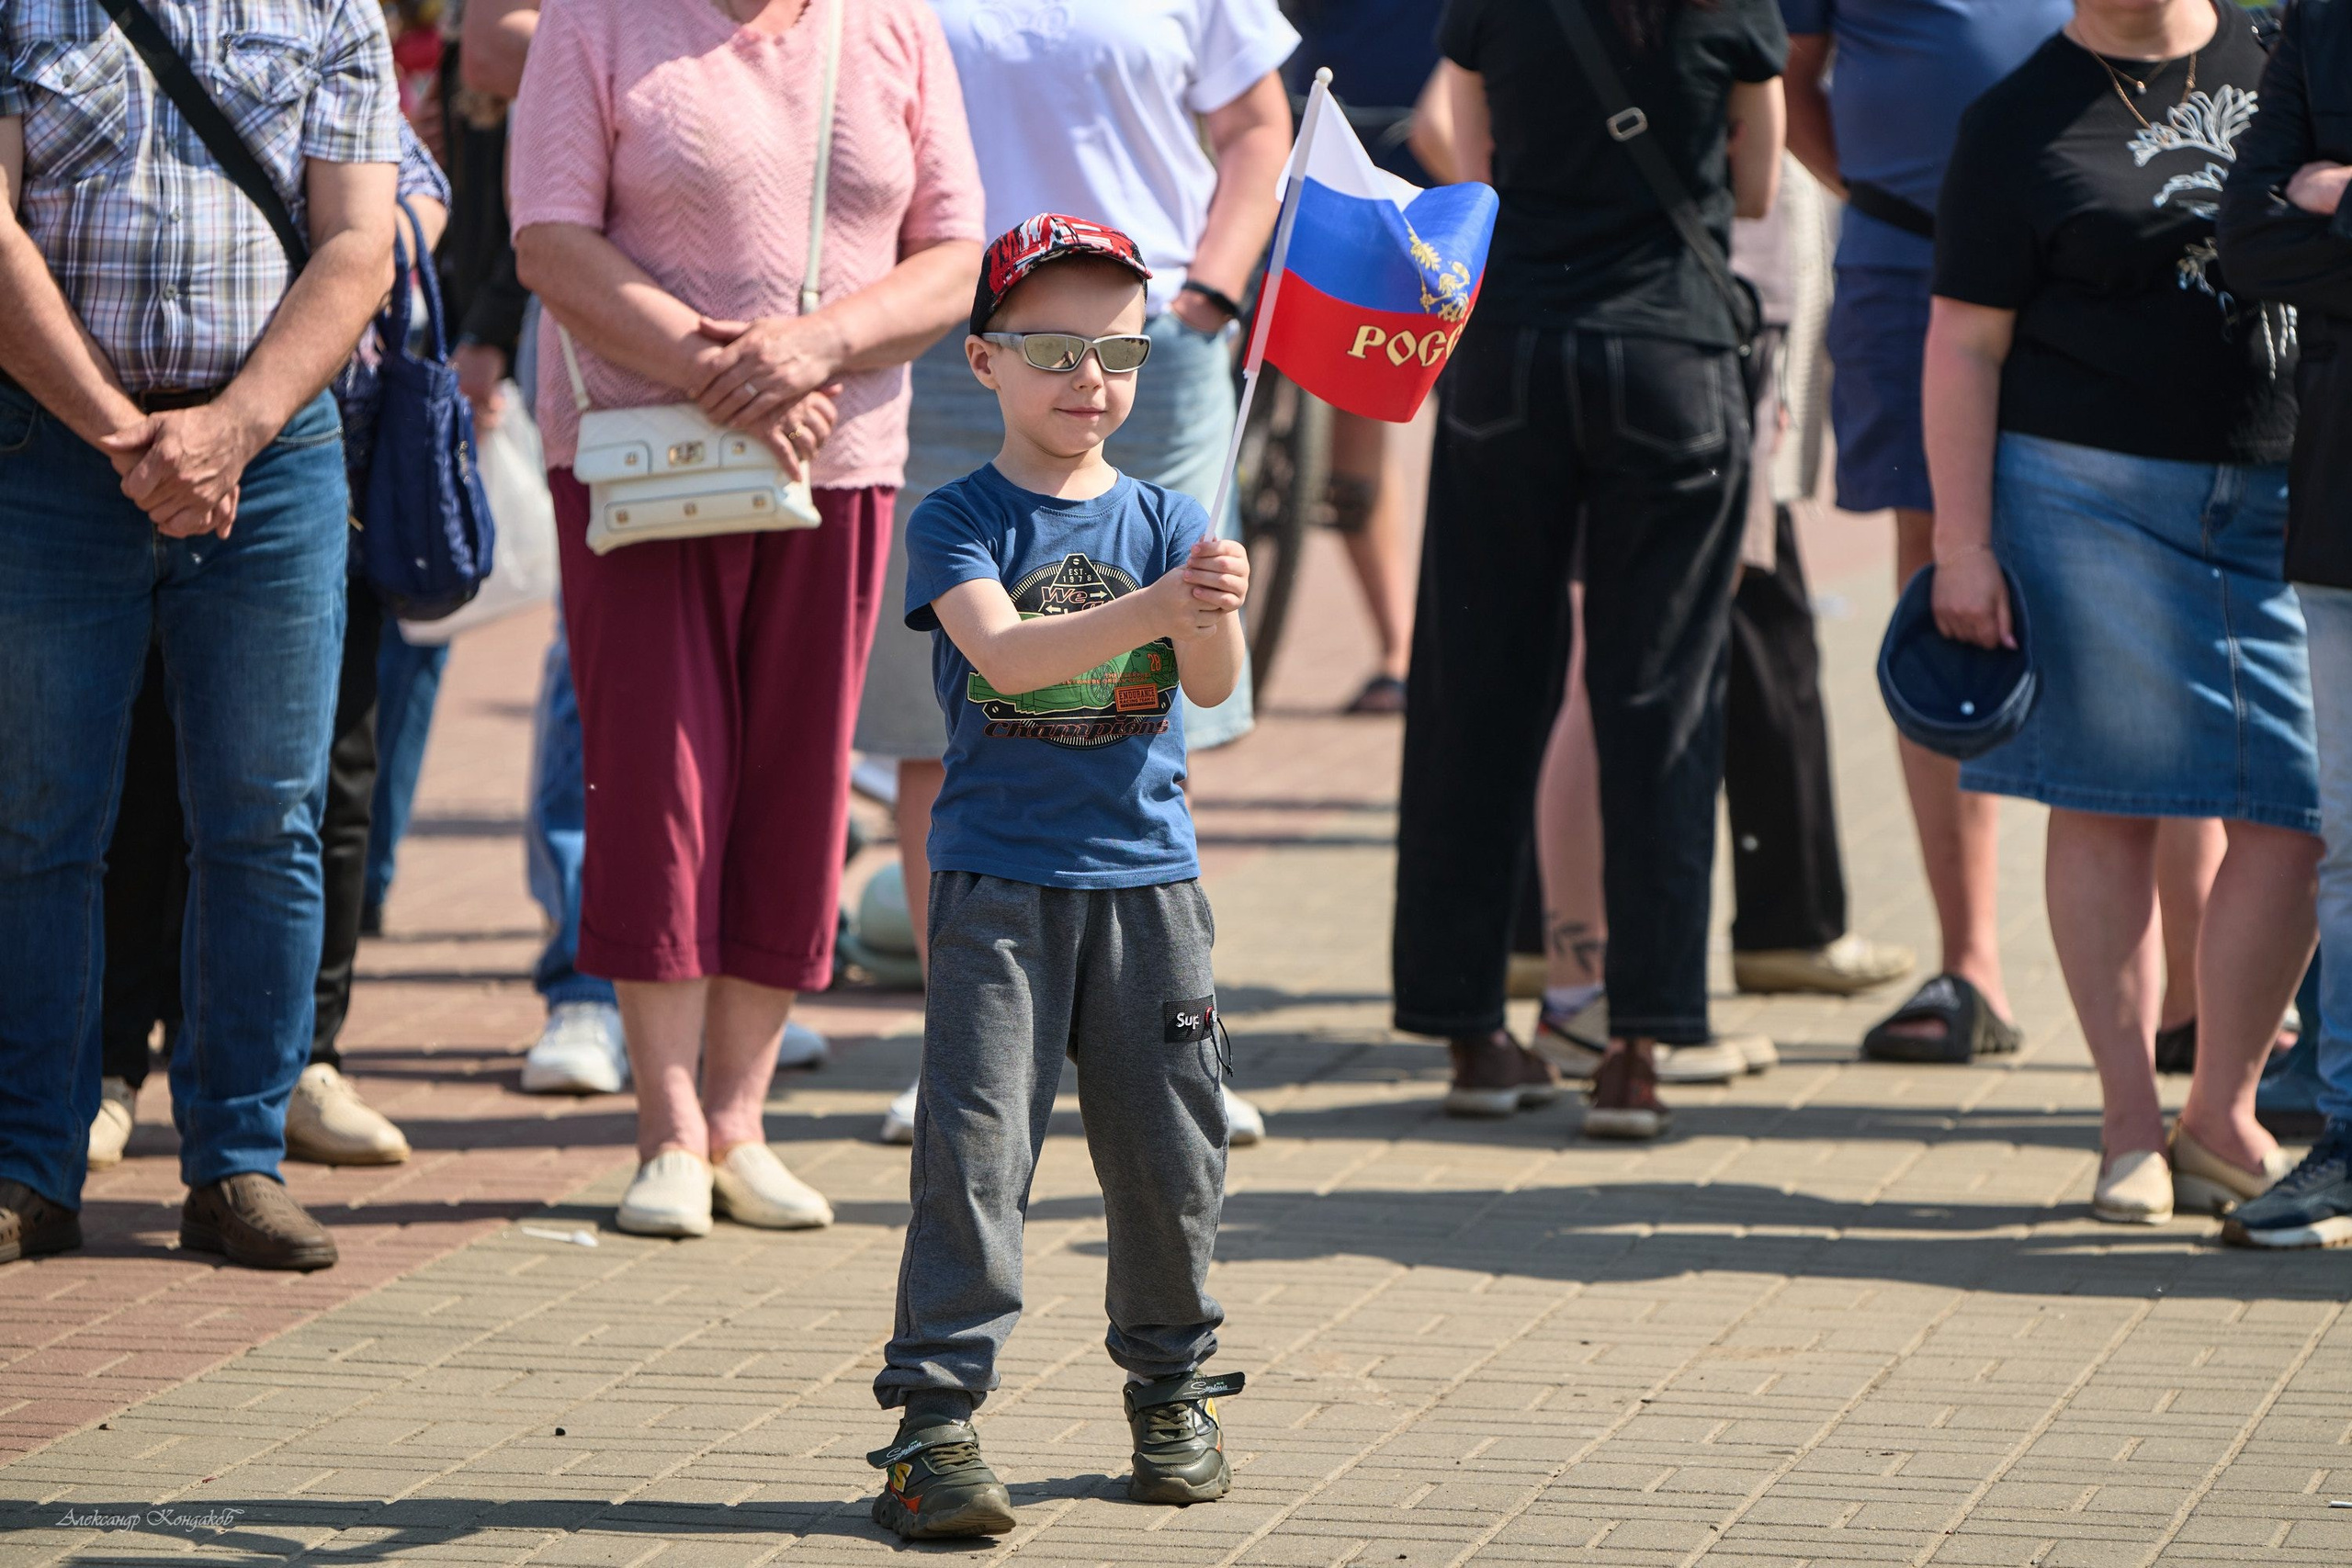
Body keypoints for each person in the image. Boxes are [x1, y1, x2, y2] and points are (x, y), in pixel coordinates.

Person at [507, 0, 984, 1238]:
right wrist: (724, 370)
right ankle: (667, 1131)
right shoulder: (596, 20)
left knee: (797, 780)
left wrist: (816, 346)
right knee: (655, 776)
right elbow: (548, 240)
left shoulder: (894, 25)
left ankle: (741, 1123)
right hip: (640, 456)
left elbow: (953, 254)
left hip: (840, 459)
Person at [851, 0, 1299, 1147]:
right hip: (953, 333)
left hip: (1152, 332)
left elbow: (1260, 124)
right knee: (937, 710)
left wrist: (1210, 292)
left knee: (1148, 686)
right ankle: (962, 1046)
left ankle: (1170, 1040)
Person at [0, 0, 401, 1269]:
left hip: (270, 460)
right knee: (36, 821)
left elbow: (359, 244)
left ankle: (237, 1164)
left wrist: (232, 428)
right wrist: (125, 432)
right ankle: (26, 1165)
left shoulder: (332, 5)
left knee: (264, 823)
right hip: (52, 449)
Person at [867, 215, 1250, 1541]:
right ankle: (933, 1423)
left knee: (1169, 1150)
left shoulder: (1171, 518)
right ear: (983, 360)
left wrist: (1211, 603)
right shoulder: (957, 518)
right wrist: (1157, 607)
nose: (1087, 377)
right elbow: (1010, 656)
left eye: (1117, 351)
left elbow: (1211, 684)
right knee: (975, 1154)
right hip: (999, 889)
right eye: (1051, 349)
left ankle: (1172, 1388)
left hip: (1151, 888)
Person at [1927, 0, 2312, 1226]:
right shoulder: (2013, 120)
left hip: (2288, 495)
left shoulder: (2286, 54)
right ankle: (2129, 1126)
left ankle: (2223, 1113)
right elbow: (1963, 343)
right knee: (2109, 803)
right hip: (2086, 495)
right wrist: (1961, 545)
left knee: (2300, 810)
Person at [1393, 0, 1785, 1137]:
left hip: (1511, 347)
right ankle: (1637, 1048)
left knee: (1474, 688)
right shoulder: (1732, 7)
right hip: (1673, 352)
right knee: (1661, 701)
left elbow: (1454, 151)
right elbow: (1757, 190)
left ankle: (1469, 1033)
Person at [90, 126, 453, 1174]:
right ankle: (110, 1065)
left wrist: (335, 253)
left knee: (326, 789)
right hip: (141, 456)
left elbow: (420, 196)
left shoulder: (338, 52)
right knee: (139, 776)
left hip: (331, 462)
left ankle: (303, 1064)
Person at [1517, 164, 1913, 1102]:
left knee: (1615, 674)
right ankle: (1618, 1011)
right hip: (1698, 333)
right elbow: (1761, 172)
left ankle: (1595, 1000)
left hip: (1644, 320)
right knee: (1640, 680)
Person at [1777, 0, 2069, 1059]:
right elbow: (1789, 80)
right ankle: (1971, 961)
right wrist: (1888, 196)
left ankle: (2192, 991)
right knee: (1937, 582)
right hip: (1909, 257)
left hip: (2089, 258)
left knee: (2130, 568)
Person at [2214, 0, 2352, 1247]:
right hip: (2342, 509)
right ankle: (2349, 1138)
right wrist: (2295, 208)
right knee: (2349, 852)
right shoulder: (2320, 23)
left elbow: (2297, 226)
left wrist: (2339, 199)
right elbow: (2250, 244)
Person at [1282, 0, 1444, 712]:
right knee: (1353, 400)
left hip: (1449, 157)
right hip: (1329, 144)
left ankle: (1450, 644)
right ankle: (1399, 649)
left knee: (1483, 422)